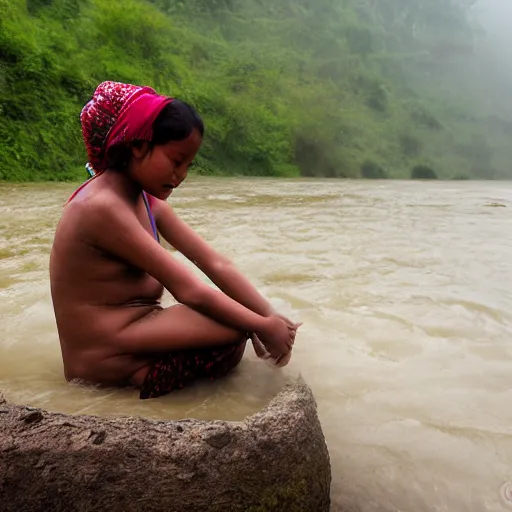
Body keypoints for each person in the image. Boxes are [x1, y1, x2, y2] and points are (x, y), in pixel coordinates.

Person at [49, 81, 301, 399]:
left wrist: (270, 315)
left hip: (135, 329)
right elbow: (189, 290)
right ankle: (134, 378)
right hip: (101, 356)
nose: (181, 175)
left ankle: (145, 374)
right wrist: (261, 327)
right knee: (234, 329)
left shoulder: (145, 200)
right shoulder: (101, 207)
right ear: (138, 146)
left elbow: (215, 262)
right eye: (175, 160)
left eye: (188, 165)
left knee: (237, 322)